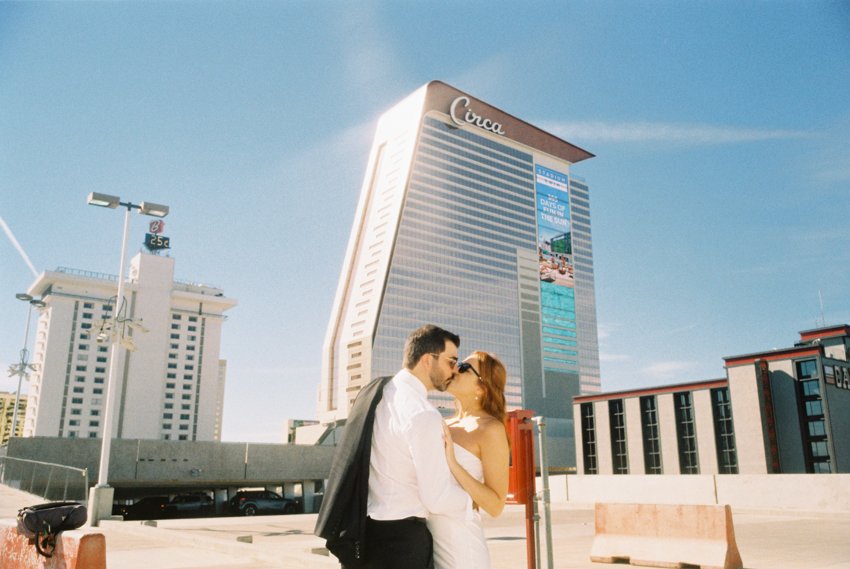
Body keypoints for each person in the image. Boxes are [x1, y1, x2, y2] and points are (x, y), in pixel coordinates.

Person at [364, 324, 471, 569]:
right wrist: (470, 502)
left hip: (369, 535)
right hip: (403, 544)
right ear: (427, 360)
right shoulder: (423, 414)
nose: (454, 370)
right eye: (451, 361)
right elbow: (436, 497)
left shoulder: (379, 395)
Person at [428, 351, 510, 569]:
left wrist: (454, 465)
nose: (455, 369)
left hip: (462, 551)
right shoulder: (441, 423)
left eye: (464, 368)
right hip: (427, 545)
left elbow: (495, 505)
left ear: (481, 388)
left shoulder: (490, 429)